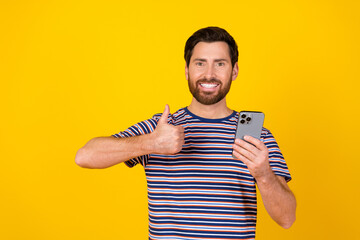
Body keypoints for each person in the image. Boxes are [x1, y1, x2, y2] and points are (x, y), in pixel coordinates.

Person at [75, 26, 296, 240]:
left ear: (234, 70)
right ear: (187, 70)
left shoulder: (256, 137)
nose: (209, 74)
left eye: (220, 64)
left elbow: (287, 218)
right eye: (200, 63)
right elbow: (84, 156)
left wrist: (264, 174)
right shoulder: (162, 128)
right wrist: (150, 143)